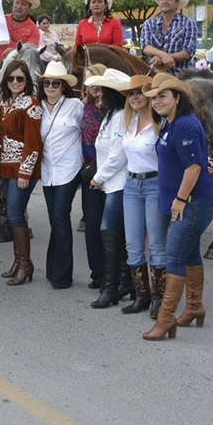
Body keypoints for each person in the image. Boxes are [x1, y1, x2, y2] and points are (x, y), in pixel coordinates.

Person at [142, 73, 213, 340]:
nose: (157, 101)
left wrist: (181, 199)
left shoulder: (184, 124)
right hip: (190, 200)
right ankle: (195, 308)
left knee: (174, 256)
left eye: (163, 96)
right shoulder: (172, 124)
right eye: (154, 97)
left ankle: (166, 320)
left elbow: (194, 166)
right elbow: (198, 156)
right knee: (188, 255)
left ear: (177, 98)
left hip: (195, 201)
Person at [117, 75, 167, 317]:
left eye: (140, 92)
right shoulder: (129, 121)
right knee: (133, 244)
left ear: (148, 96)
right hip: (132, 185)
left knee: (156, 244)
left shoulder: (160, 124)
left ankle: (159, 297)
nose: (135, 97)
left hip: (155, 183)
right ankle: (142, 295)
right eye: (131, 93)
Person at [86, 69, 132, 308]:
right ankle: (125, 282)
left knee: (109, 231)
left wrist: (98, 177)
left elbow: (118, 154)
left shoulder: (123, 115)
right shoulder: (110, 115)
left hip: (117, 183)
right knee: (116, 234)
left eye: (103, 91)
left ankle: (110, 287)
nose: (98, 95)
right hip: (109, 184)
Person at [0, 58, 43, 286]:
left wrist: (25, 172)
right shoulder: (5, 104)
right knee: (12, 216)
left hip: (21, 170)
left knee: (16, 215)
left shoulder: (32, 105)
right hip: (6, 168)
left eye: (20, 78)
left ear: (27, 81)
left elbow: (33, 142)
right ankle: (18, 261)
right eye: (11, 78)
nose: (15, 82)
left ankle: (25, 264)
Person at [35, 61, 82, 288]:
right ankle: (53, 269)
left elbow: (91, 134)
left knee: (61, 218)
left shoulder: (76, 106)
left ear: (63, 86)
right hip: (47, 170)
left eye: (55, 83)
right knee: (55, 219)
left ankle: (63, 276)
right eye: (47, 82)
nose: (51, 86)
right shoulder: (37, 107)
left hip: (69, 169)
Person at [80, 63, 108, 288]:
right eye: (87, 81)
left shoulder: (115, 106)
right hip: (89, 171)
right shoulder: (84, 107)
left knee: (111, 227)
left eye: (95, 80)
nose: (92, 86)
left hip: (112, 173)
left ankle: (115, 273)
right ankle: (97, 272)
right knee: (92, 224)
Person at [0, 0, 41, 85]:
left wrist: (14, 51)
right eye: (17, 2)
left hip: (19, 68)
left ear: (29, 7)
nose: (19, 6)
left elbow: (30, 52)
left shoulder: (33, 29)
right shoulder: (1, 20)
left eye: (23, 4)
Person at [140, 0, 197, 74]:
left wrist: (163, 58)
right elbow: (146, 47)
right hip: (153, 73)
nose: (165, 1)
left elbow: (187, 53)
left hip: (180, 75)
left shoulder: (188, 23)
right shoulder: (149, 23)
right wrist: (163, 55)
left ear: (177, 3)